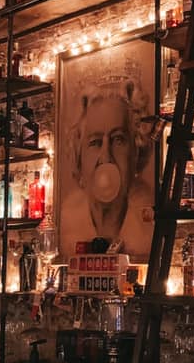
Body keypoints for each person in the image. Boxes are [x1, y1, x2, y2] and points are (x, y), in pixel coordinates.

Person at [61, 76, 153, 258]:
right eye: (95, 142)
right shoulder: (67, 219)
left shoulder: (150, 220)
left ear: (136, 150)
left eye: (118, 139)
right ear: (79, 156)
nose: (105, 157)